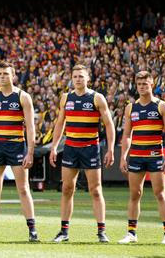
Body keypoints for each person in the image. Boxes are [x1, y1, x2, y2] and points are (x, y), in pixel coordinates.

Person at [49, 64, 115, 243]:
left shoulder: (97, 98)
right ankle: (64, 232)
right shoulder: (65, 98)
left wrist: (110, 148)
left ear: (88, 79)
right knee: (67, 189)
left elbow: (109, 124)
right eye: (75, 76)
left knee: (95, 190)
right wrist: (54, 146)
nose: (78, 79)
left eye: (81, 76)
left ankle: (101, 232)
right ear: (72, 78)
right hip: (70, 148)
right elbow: (60, 123)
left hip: (90, 148)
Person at [0, 61, 39, 242]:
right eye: (0, 74)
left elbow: (30, 127)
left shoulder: (23, 96)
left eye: (6, 74)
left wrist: (30, 152)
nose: (3, 76)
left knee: (23, 188)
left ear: (13, 76)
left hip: (16, 146)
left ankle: (32, 230)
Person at [118, 71, 165, 245]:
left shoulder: (162, 106)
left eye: (145, 84)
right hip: (135, 156)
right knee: (135, 194)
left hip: (155, 156)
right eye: (139, 84)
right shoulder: (131, 108)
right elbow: (127, 134)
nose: (142, 87)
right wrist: (123, 157)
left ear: (152, 84)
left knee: (160, 193)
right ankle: (131, 233)